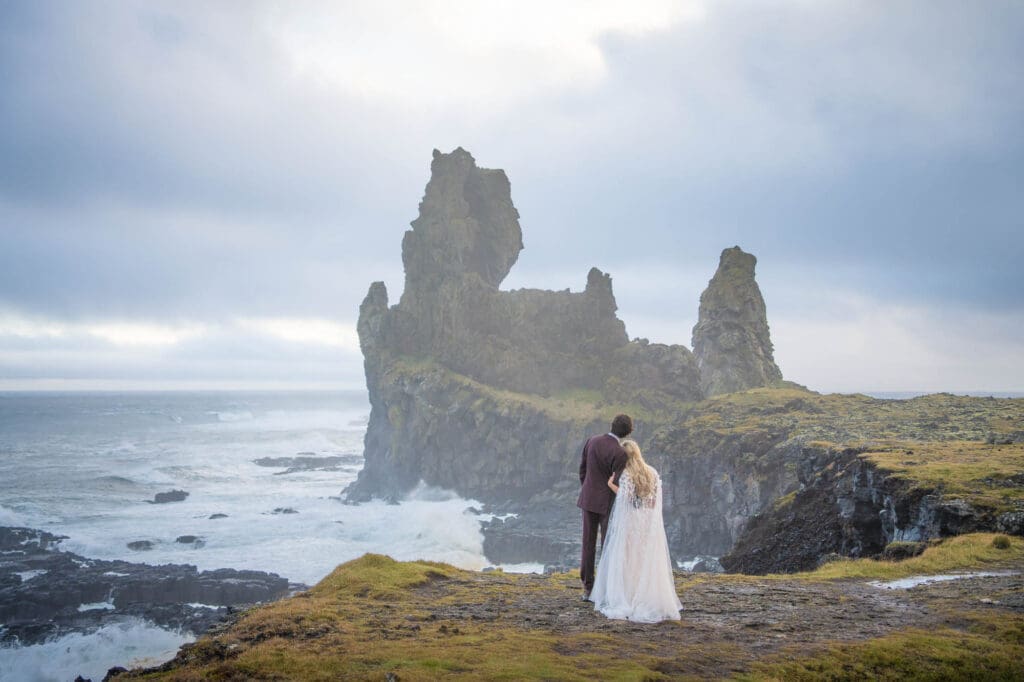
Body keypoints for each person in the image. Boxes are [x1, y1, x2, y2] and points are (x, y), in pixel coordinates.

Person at [590, 439, 682, 622]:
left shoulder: (626, 474)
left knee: (627, 557)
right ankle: (645, 593)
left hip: (631, 520)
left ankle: (628, 595)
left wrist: (611, 485)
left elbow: (627, 498)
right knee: (643, 558)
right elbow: (655, 502)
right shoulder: (652, 472)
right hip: (647, 521)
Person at [577, 414, 632, 601]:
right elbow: (616, 482)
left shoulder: (592, 441)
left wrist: (587, 488)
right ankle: (606, 587)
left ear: (612, 425)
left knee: (587, 544)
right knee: (608, 545)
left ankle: (588, 587)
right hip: (607, 503)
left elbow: (582, 470)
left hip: (588, 498)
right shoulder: (620, 453)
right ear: (627, 432)